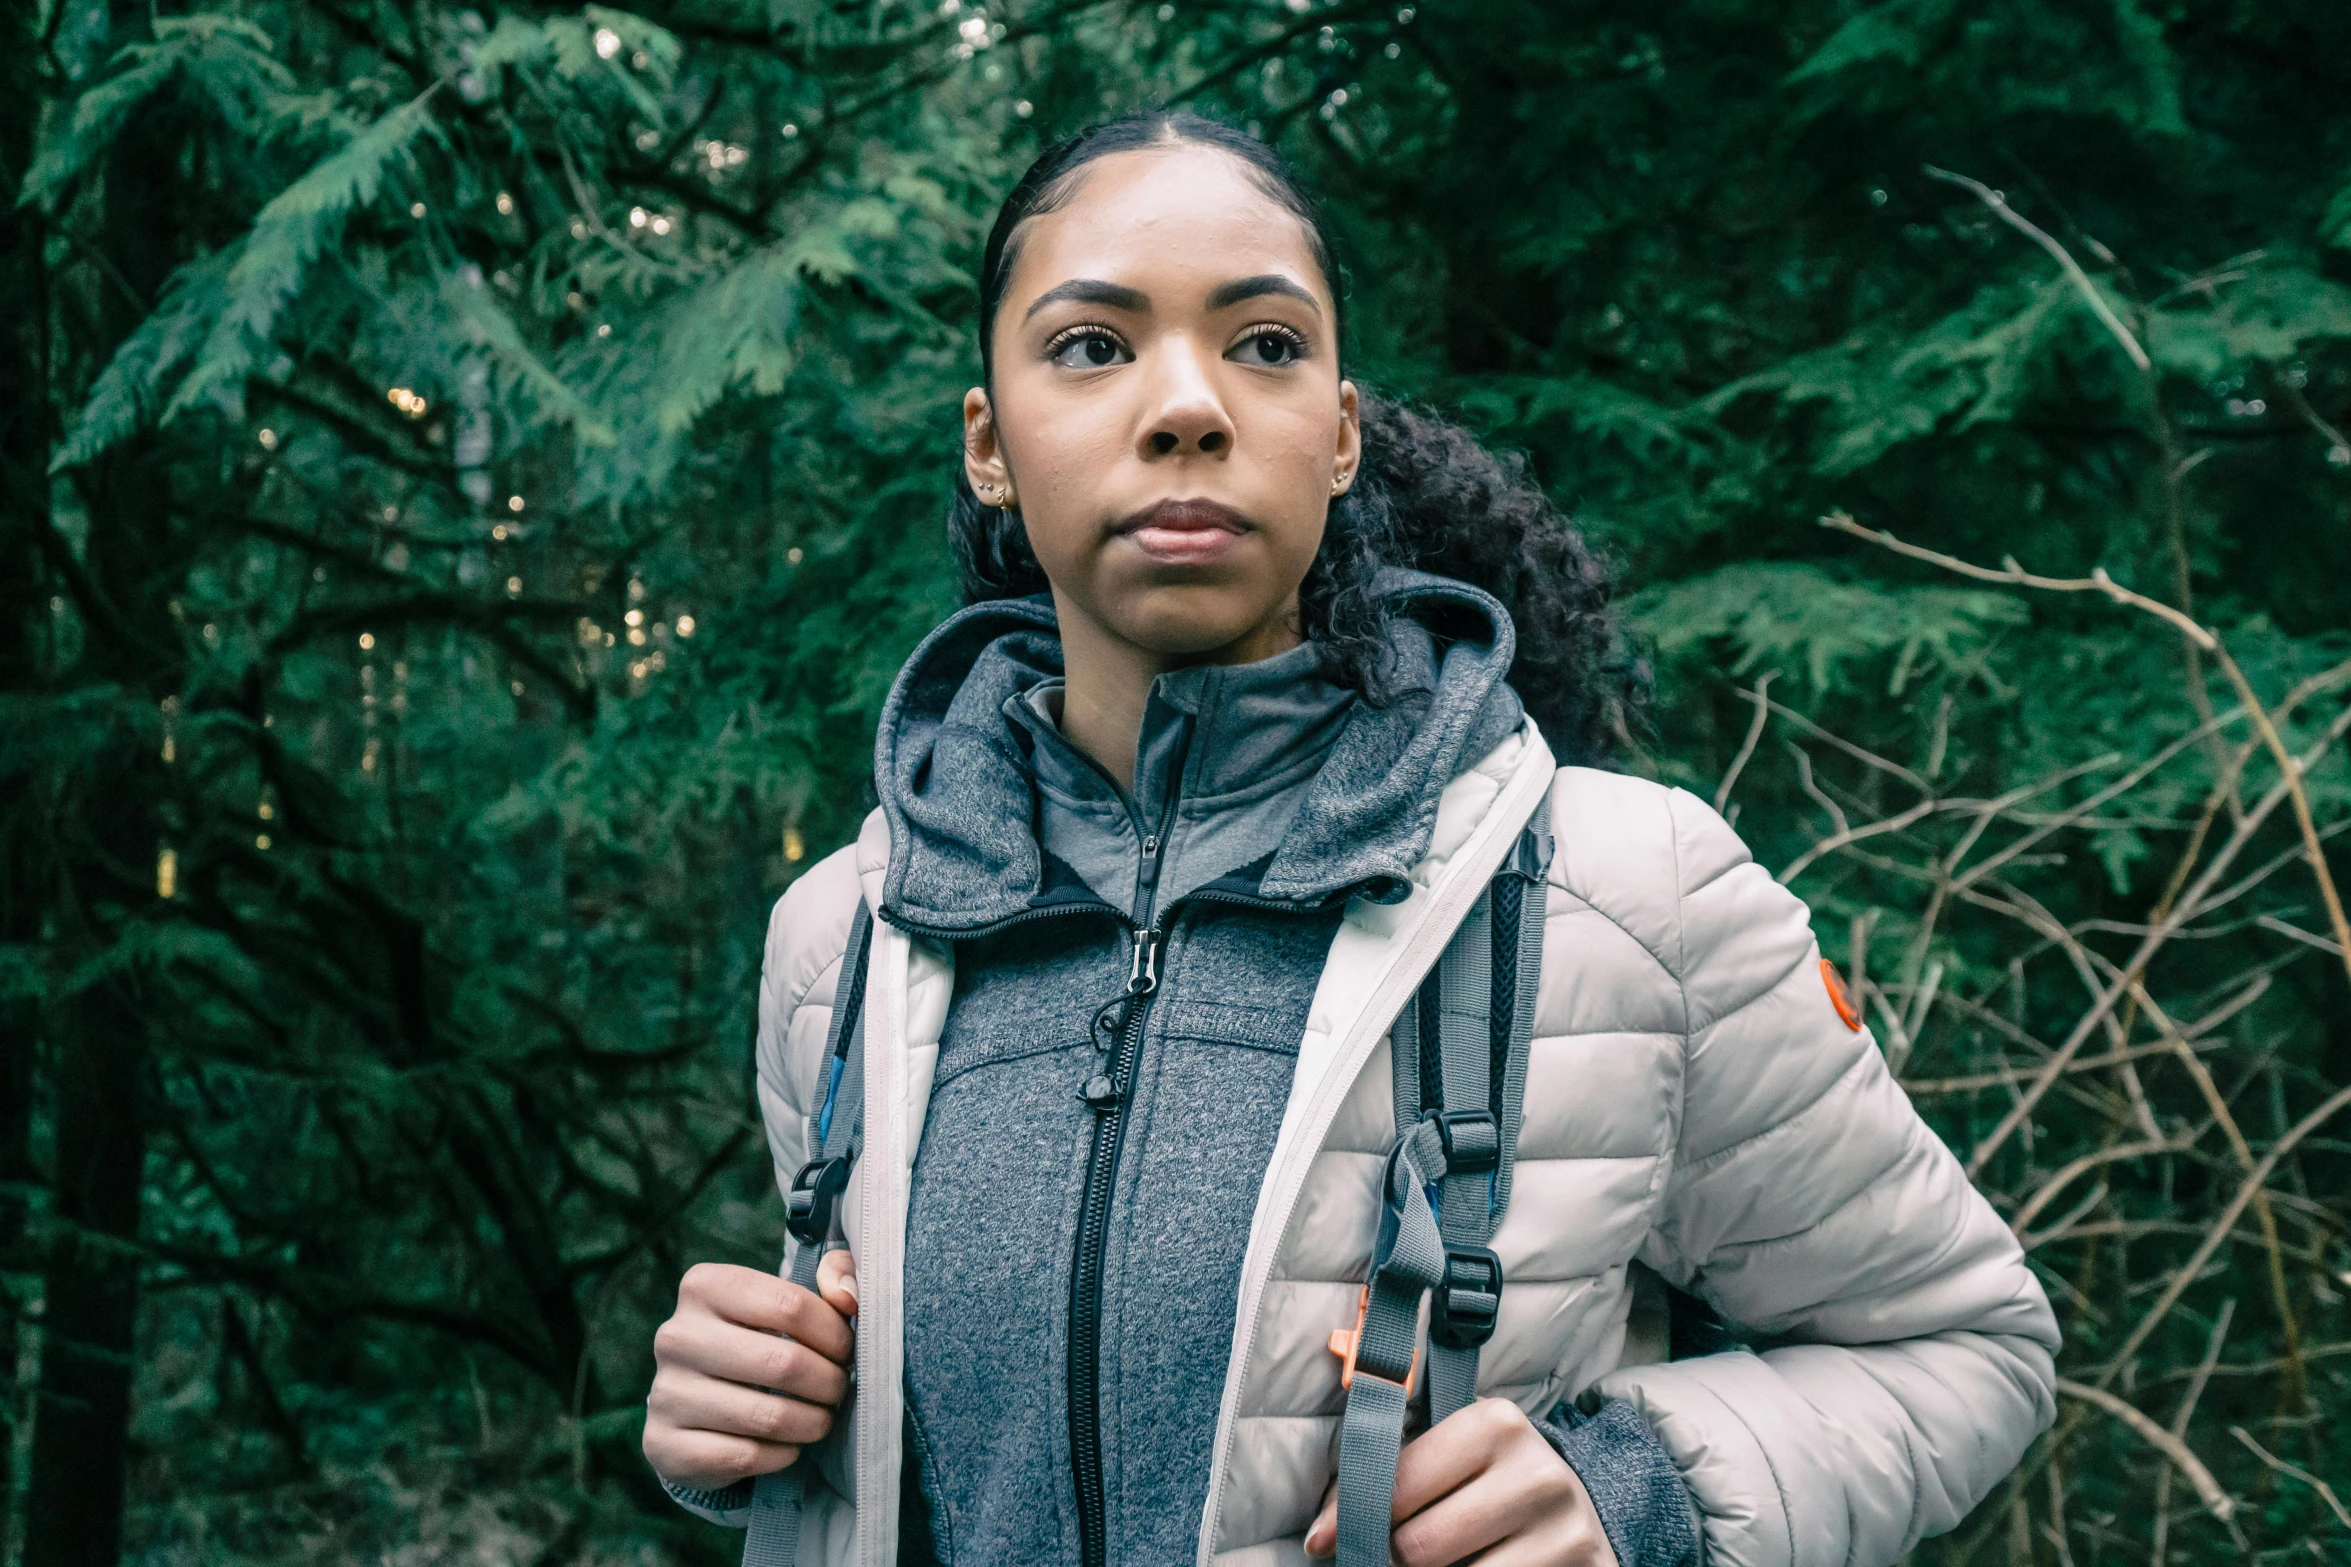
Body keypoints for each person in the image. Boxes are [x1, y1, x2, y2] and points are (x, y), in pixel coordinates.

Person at [640, 111, 2059, 1567]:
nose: (1186, 404)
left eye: (1262, 343)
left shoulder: (1630, 896)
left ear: (1336, 434)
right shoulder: (846, 936)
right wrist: (747, 1425)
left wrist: (1639, 1496)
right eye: (1090, 346)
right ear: (989, 443)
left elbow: (1961, 1345)